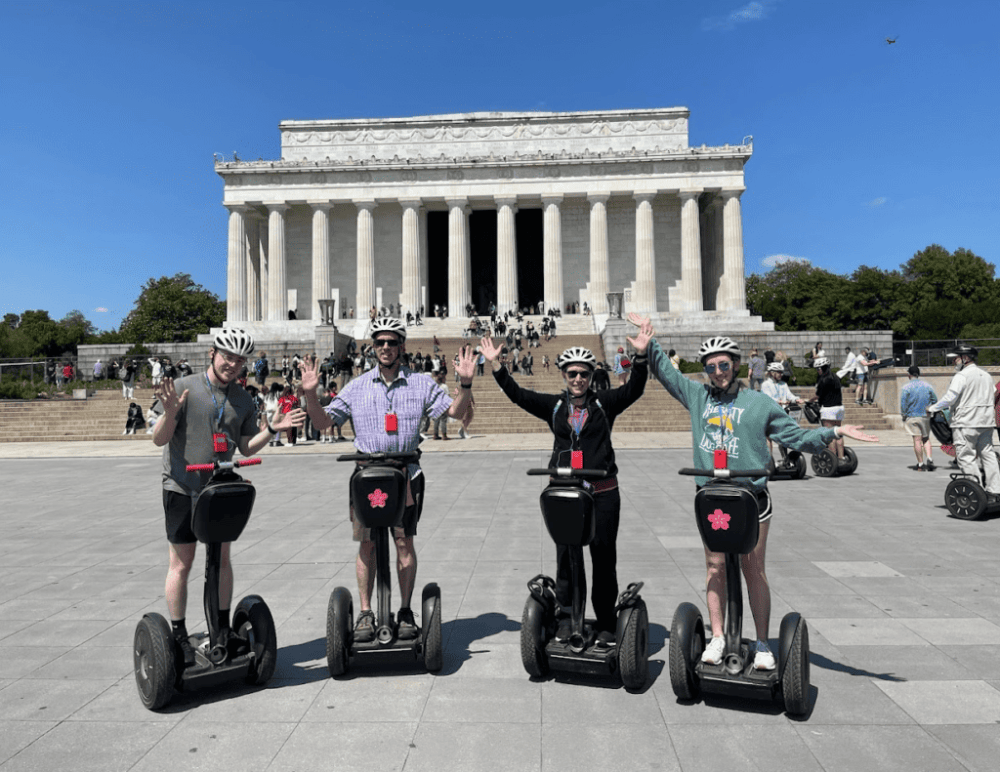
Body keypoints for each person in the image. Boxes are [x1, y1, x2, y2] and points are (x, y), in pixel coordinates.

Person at [631, 314, 878, 670]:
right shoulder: (698, 396)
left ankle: (762, 643)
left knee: (753, 567)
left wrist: (834, 433)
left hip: (751, 498)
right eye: (712, 366)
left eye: (724, 364)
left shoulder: (760, 403)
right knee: (715, 567)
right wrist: (648, 346)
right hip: (713, 497)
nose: (718, 371)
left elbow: (795, 437)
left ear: (736, 365)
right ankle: (718, 637)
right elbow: (669, 376)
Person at [299, 317, 477, 643]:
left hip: (406, 474)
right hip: (366, 475)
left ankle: (406, 610)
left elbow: (454, 414)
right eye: (379, 342)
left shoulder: (421, 384)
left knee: (403, 542)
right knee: (366, 545)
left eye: (391, 342)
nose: (385, 348)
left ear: (402, 347)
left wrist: (465, 386)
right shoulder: (356, 386)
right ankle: (366, 612)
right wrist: (311, 395)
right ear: (372, 347)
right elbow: (324, 423)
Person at [479, 332, 651, 646]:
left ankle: (605, 621)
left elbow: (635, 389)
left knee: (603, 558)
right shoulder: (554, 407)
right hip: (566, 493)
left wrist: (640, 358)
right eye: (572, 373)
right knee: (566, 558)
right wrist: (497, 366)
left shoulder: (604, 404)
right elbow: (519, 395)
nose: (578, 379)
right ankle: (567, 616)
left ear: (591, 376)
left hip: (602, 492)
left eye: (584, 373)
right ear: (564, 375)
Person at [150, 328, 305, 663]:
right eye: (227, 356)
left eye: (239, 359)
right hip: (181, 486)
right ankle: (178, 633)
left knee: (221, 559)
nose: (232, 364)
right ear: (212, 353)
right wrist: (171, 412)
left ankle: (221, 627)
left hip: (217, 489)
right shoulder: (184, 388)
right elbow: (159, 440)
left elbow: (246, 445)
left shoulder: (243, 398)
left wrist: (272, 429)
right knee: (182, 562)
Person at [927, 345, 1000, 501]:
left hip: (966, 423)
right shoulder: (986, 375)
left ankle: (976, 490)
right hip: (986, 422)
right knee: (988, 455)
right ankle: (995, 490)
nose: (954, 361)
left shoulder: (962, 376)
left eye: (956, 358)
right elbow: (993, 393)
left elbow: (949, 398)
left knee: (966, 457)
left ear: (965, 358)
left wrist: (931, 408)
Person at [900, 365, 937, 471]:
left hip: (912, 416)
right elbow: (934, 400)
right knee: (926, 439)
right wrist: (929, 408)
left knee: (917, 440)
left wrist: (904, 414)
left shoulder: (906, 387)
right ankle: (929, 458)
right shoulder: (927, 386)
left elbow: (903, 403)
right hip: (925, 416)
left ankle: (920, 464)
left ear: (909, 375)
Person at [761, 362, 802, 456]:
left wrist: (796, 399)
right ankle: (769, 460)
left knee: (782, 438)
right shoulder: (765, 384)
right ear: (772, 373)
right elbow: (768, 398)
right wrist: (779, 402)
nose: (781, 374)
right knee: (768, 437)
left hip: (782, 414)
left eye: (782, 372)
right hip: (769, 414)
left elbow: (789, 395)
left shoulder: (783, 384)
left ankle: (785, 459)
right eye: (779, 372)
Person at [813, 356, 847, 463]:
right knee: (838, 434)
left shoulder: (823, 380)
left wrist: (808, 400)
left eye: (818, 369)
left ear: (821, 368)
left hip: (829, 410)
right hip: (839, 409)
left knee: (830, 436)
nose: (817, 371)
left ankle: (832, 459)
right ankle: (841, 457)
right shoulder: (835, 377)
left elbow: (817, 396)